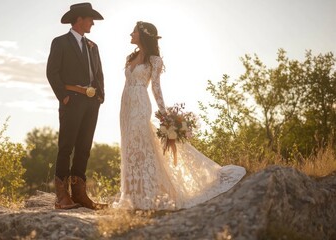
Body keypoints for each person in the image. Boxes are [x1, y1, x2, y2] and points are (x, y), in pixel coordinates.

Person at [112, 21, 246, 210]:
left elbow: (156, 88)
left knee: (142, 147)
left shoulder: (154, 60)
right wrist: (124, 107)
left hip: (141, 105)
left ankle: (150, 195)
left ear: (143, 35)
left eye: (133, 32)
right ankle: (133, 196)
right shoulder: (130, 57)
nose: (130, 34)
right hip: (125, 106)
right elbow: (127, 84)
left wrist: (164, 115)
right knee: (129, 147)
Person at [46, 2, 106, 210]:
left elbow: (99, 74)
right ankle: (62, 197)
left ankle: (79, 195)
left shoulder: (93, 46)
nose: (92, 24)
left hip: (92, 102)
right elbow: (52, 72)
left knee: (84, 148)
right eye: (90, 19)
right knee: (66, 146)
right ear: (79, 19)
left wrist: (100, 96)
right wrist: (63, 97)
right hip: (71, 100)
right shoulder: (60, 42)